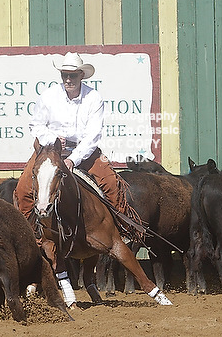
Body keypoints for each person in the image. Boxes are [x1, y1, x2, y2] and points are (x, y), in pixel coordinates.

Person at [13, 52, 135, 308]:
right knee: (23, 190)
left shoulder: (93, 98)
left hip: (83, 152)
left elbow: (92, 136)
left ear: (81, 75)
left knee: (111, 183)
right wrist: (53, 141)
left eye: (72, 75)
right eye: (64, 75)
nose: (68, 79)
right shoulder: (49, 95)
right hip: (49, 150)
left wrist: (73, 159)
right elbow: (36, 124)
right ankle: (33, 237)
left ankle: (121, 230)